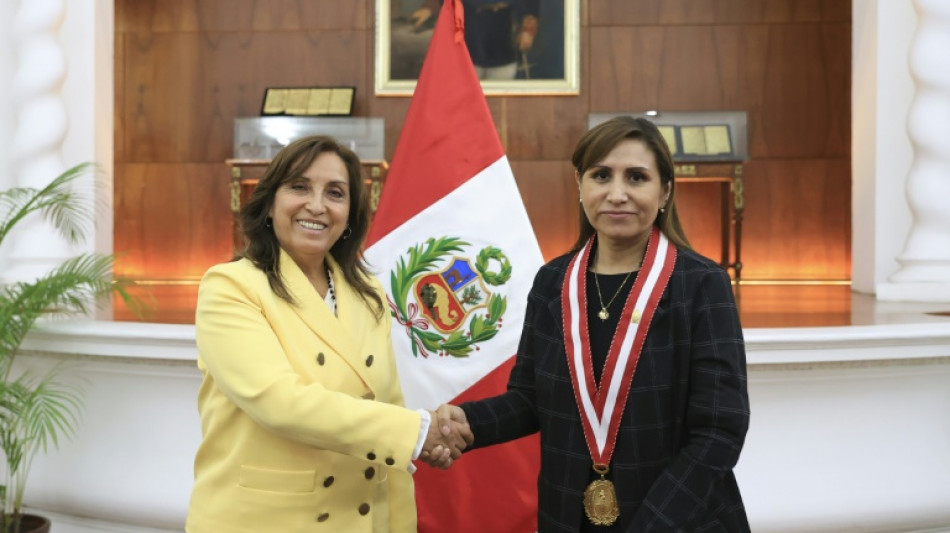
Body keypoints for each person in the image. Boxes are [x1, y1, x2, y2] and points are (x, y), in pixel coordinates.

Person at [437, 117, 751, 531]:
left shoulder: (701, 284)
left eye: (636, 177)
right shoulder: (553, 282)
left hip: (676, 521)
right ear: (580, 185)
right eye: (601, 175)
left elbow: (719, 432)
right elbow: (530, 399)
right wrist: (468, 423)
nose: (617, 194)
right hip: (569, 518)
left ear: (664, 191)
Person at [186, 135, 471, 533]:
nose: (317, 205)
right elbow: (280, 402)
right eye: (299, 187)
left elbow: (387, 404)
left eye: (335, 193)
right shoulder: (230, 287)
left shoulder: (367, 293)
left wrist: (419, 447)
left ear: (350, 214)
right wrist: (415, 433)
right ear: (269, 202)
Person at [411, 0, 540, 80]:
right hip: (470, 34)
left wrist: (528, 30)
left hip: (503, 36)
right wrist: (429, 8)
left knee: (500, 85)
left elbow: (531, 5)